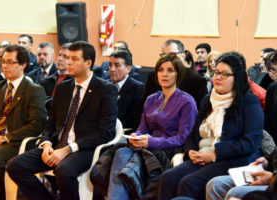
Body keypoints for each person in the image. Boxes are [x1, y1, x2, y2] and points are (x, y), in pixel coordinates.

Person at [6, 41, 118, 200]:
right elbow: (50, 123)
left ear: (88, 63)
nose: (68, 62)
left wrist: (68, 149)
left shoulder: (105, 89)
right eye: (67, 57)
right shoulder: (64, 87)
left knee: (63, 170)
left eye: (74, 59)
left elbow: (106, 132)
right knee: (15, 166)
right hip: (57, 145)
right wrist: (46, 144)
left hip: (84, 148)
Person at [158, 52, 264, 200]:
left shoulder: (248, 102)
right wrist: (191, 152)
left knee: (189, 183)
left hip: (232, 160)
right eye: (217, 73)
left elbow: (250, 142)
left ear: (237, 78)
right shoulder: (208, 100)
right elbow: (193, 134)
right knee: (168, 177)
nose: (218, 77)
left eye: (225, 74)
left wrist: (214, 155)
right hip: (202, 156)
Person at [92, 54, 198, 200]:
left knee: (123, 155)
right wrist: (136, 136)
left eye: (170, 70)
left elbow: (183, 138)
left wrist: (151, 142)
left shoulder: (187, 101)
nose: (164, 74)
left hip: (167, 151)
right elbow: (142, 128)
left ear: (178, 74)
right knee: (121, 152)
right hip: (145, 147)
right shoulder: (152, 99)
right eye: (161, 70)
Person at [0, 44, 47, 200]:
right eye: (3, 61)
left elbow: (36, 126)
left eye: (10, 62)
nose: (4, 66)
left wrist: (3, 138)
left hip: (16, 143)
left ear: (22, 65)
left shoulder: (33, 90)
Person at [109, 49, 144, 130]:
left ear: (128, 69)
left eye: (117, 65)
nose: (112, 69)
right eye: (110, 65)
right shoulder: (104, 86)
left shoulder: (137, 88)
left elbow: (135, 120)